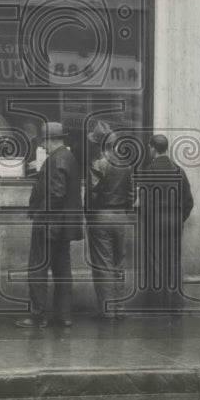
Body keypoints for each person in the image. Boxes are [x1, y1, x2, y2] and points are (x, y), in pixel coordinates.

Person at [17, 122, 83, 329]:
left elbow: (56, 193)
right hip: (62, 227)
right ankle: (64, 316)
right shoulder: (68, 157)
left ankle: (37, 316)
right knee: (62, 271)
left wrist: (39, 212)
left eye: (43, 141)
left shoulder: (57, 159)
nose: (42, 146)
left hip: (49, 225)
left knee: (37, 269)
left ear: (50, 139)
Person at [137, 133, 195, 313]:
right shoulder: (179, 170)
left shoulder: (149, 171)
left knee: (155, 264)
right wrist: (179, 218)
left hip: (154, 224)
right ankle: (176, 305)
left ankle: (157, 306)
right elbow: (189, 202)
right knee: (174, 263)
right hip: (175, 224)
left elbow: (143, 202)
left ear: (153, 148)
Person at [84, 121, 135, 320]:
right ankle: (119, 308)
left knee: (103, 265)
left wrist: (89, 215)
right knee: (118, 263)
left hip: (101, 215)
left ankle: (107, 310)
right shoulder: (126, 163)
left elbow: (92, 194)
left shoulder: (97, 163)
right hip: (120, 216)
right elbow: (131, 195)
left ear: (98, 143)